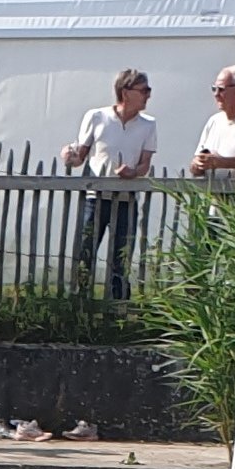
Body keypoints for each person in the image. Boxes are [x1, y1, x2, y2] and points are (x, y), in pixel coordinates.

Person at [62, 69, 155, 302]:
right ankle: (80, 304)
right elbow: (80, 157)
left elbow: (145, 165)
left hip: (127, 198)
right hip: (95, 197)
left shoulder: (148, 125)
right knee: (85, 252)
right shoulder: (96, 117)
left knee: (121, 257)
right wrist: (68, 156)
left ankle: (119, 308)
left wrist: (133, 173)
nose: (148, 95)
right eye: (144, 90)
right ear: (126, 92)